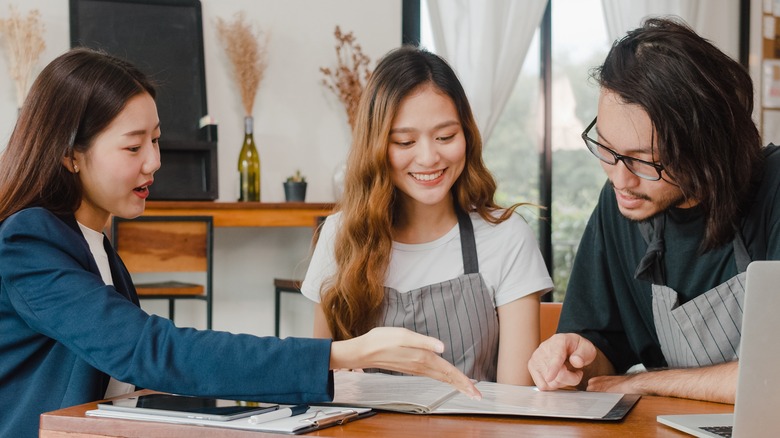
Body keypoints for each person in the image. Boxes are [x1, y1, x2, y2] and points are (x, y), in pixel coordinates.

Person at [0, 48, 480, 438]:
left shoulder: (95, 245)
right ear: (70, 156)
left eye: (157, 140)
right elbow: (152, 350)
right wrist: (347, 353)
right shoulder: (29, 242)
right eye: (133, 146)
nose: (154, 162)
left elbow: (150, 367)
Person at [528, 17, 780, 404]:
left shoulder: (774, 191)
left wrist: (645, 382)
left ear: (706, 149)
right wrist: (575, 356)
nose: (620, 180)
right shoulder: (621, 204)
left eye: (645, 161)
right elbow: (602, 360)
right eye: (607, 149)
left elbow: (773, 379)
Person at [301, 46, 553, 385]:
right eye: (405, 142)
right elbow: (317, 378)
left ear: (466, 134)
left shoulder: (506, 237)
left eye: (445, 136)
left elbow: (516, 401)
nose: (429, 157)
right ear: (376, 148)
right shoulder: (339, 235)